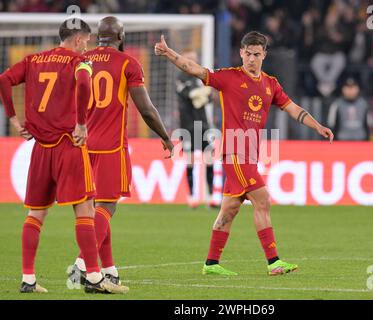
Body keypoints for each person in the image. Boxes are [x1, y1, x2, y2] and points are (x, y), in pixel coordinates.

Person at [155, 31, 334, 275]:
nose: (251, 59)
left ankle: (211, 264)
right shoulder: (228, 77)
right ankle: (274, 262)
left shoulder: (270, 84)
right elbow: (194, 69)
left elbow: (292, 108)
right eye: (247, 54)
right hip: (234, 153)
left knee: (229, 209)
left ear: (264, 55)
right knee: (263, 200)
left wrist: (318, 126)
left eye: (256, 54)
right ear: (241, 53)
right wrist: (169, 53)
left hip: (251, 155)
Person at [0, 19, 127, 294]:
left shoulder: (33, 59)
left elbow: (4, 80)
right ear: (80, 39)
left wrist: (12, 118)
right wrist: (81, 123)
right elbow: (83, 83)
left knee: (36, 214)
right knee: (85, 209)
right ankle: (93, 277)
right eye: (87, 40)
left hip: (40, 149)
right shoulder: (78, 63)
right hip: (68, 145)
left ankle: (28, 279)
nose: (88, 46)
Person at [67, 16, 174, 288]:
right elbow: (146, 109)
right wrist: (165, 136)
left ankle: (109, 270)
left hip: (80, 144)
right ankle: (81, 264)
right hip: (110, 146)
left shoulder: (82, 58)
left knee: (93, 209)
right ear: (121, 37)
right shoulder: (128, 63)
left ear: (98, 36)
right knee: (107, 206)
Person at [175, 48, 217, 208]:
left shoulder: (200, 78)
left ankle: (211, 196)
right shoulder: (180, 78)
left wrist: (203, 94)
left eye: (194, 59)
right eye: (188, 59)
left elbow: (208, 98)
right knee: (190, 161)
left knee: (209, 159)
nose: (191, 62)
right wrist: (203, 94)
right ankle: (192, 197)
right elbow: (193, 97)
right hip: (187, 126)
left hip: (203, 124)